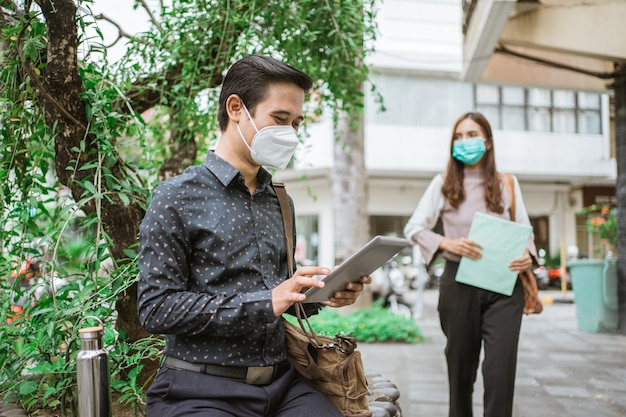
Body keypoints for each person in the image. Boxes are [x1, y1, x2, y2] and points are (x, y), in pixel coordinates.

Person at [137, 55, 371, 417]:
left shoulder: (280, 200)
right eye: (279, 119)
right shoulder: (176, 196)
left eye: (296, 122)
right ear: (235, 108)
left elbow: (281, 291)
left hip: (283, 385)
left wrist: (325, 292)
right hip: (198, 390)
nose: (290, 132)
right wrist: (266, 301)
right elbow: (155, 308)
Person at [403, 111, 536, 417]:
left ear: (488, 142)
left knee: (500, 374)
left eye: (472, 135)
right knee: (460, 373)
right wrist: (446, 242)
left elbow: (525, 230)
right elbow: (414, 228)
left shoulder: (508, 183)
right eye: (458, 137)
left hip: (505, 286)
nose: (465, 142)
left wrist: (528, 254)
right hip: (459, 285)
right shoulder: (443, 183)